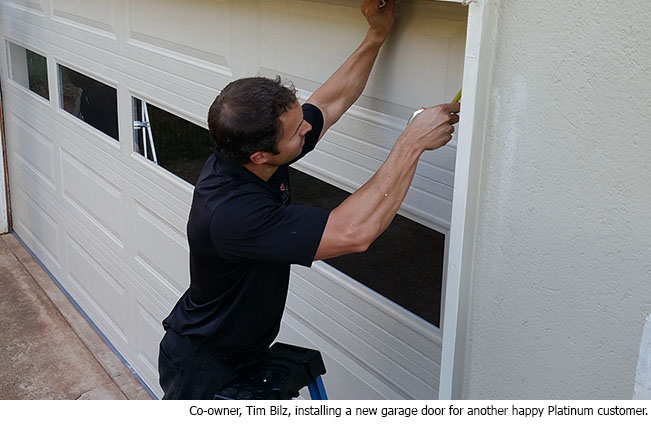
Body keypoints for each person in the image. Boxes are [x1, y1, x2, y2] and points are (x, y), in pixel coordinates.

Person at [158, 0, 460, 400]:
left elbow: (330, 105)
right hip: (204, 367)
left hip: (239, 351)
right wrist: (411, 143)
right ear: (260, 156)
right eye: (297, 132)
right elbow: (354, 233)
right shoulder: (232, 213)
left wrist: (376, 35)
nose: (308, 128)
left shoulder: (252, 149)